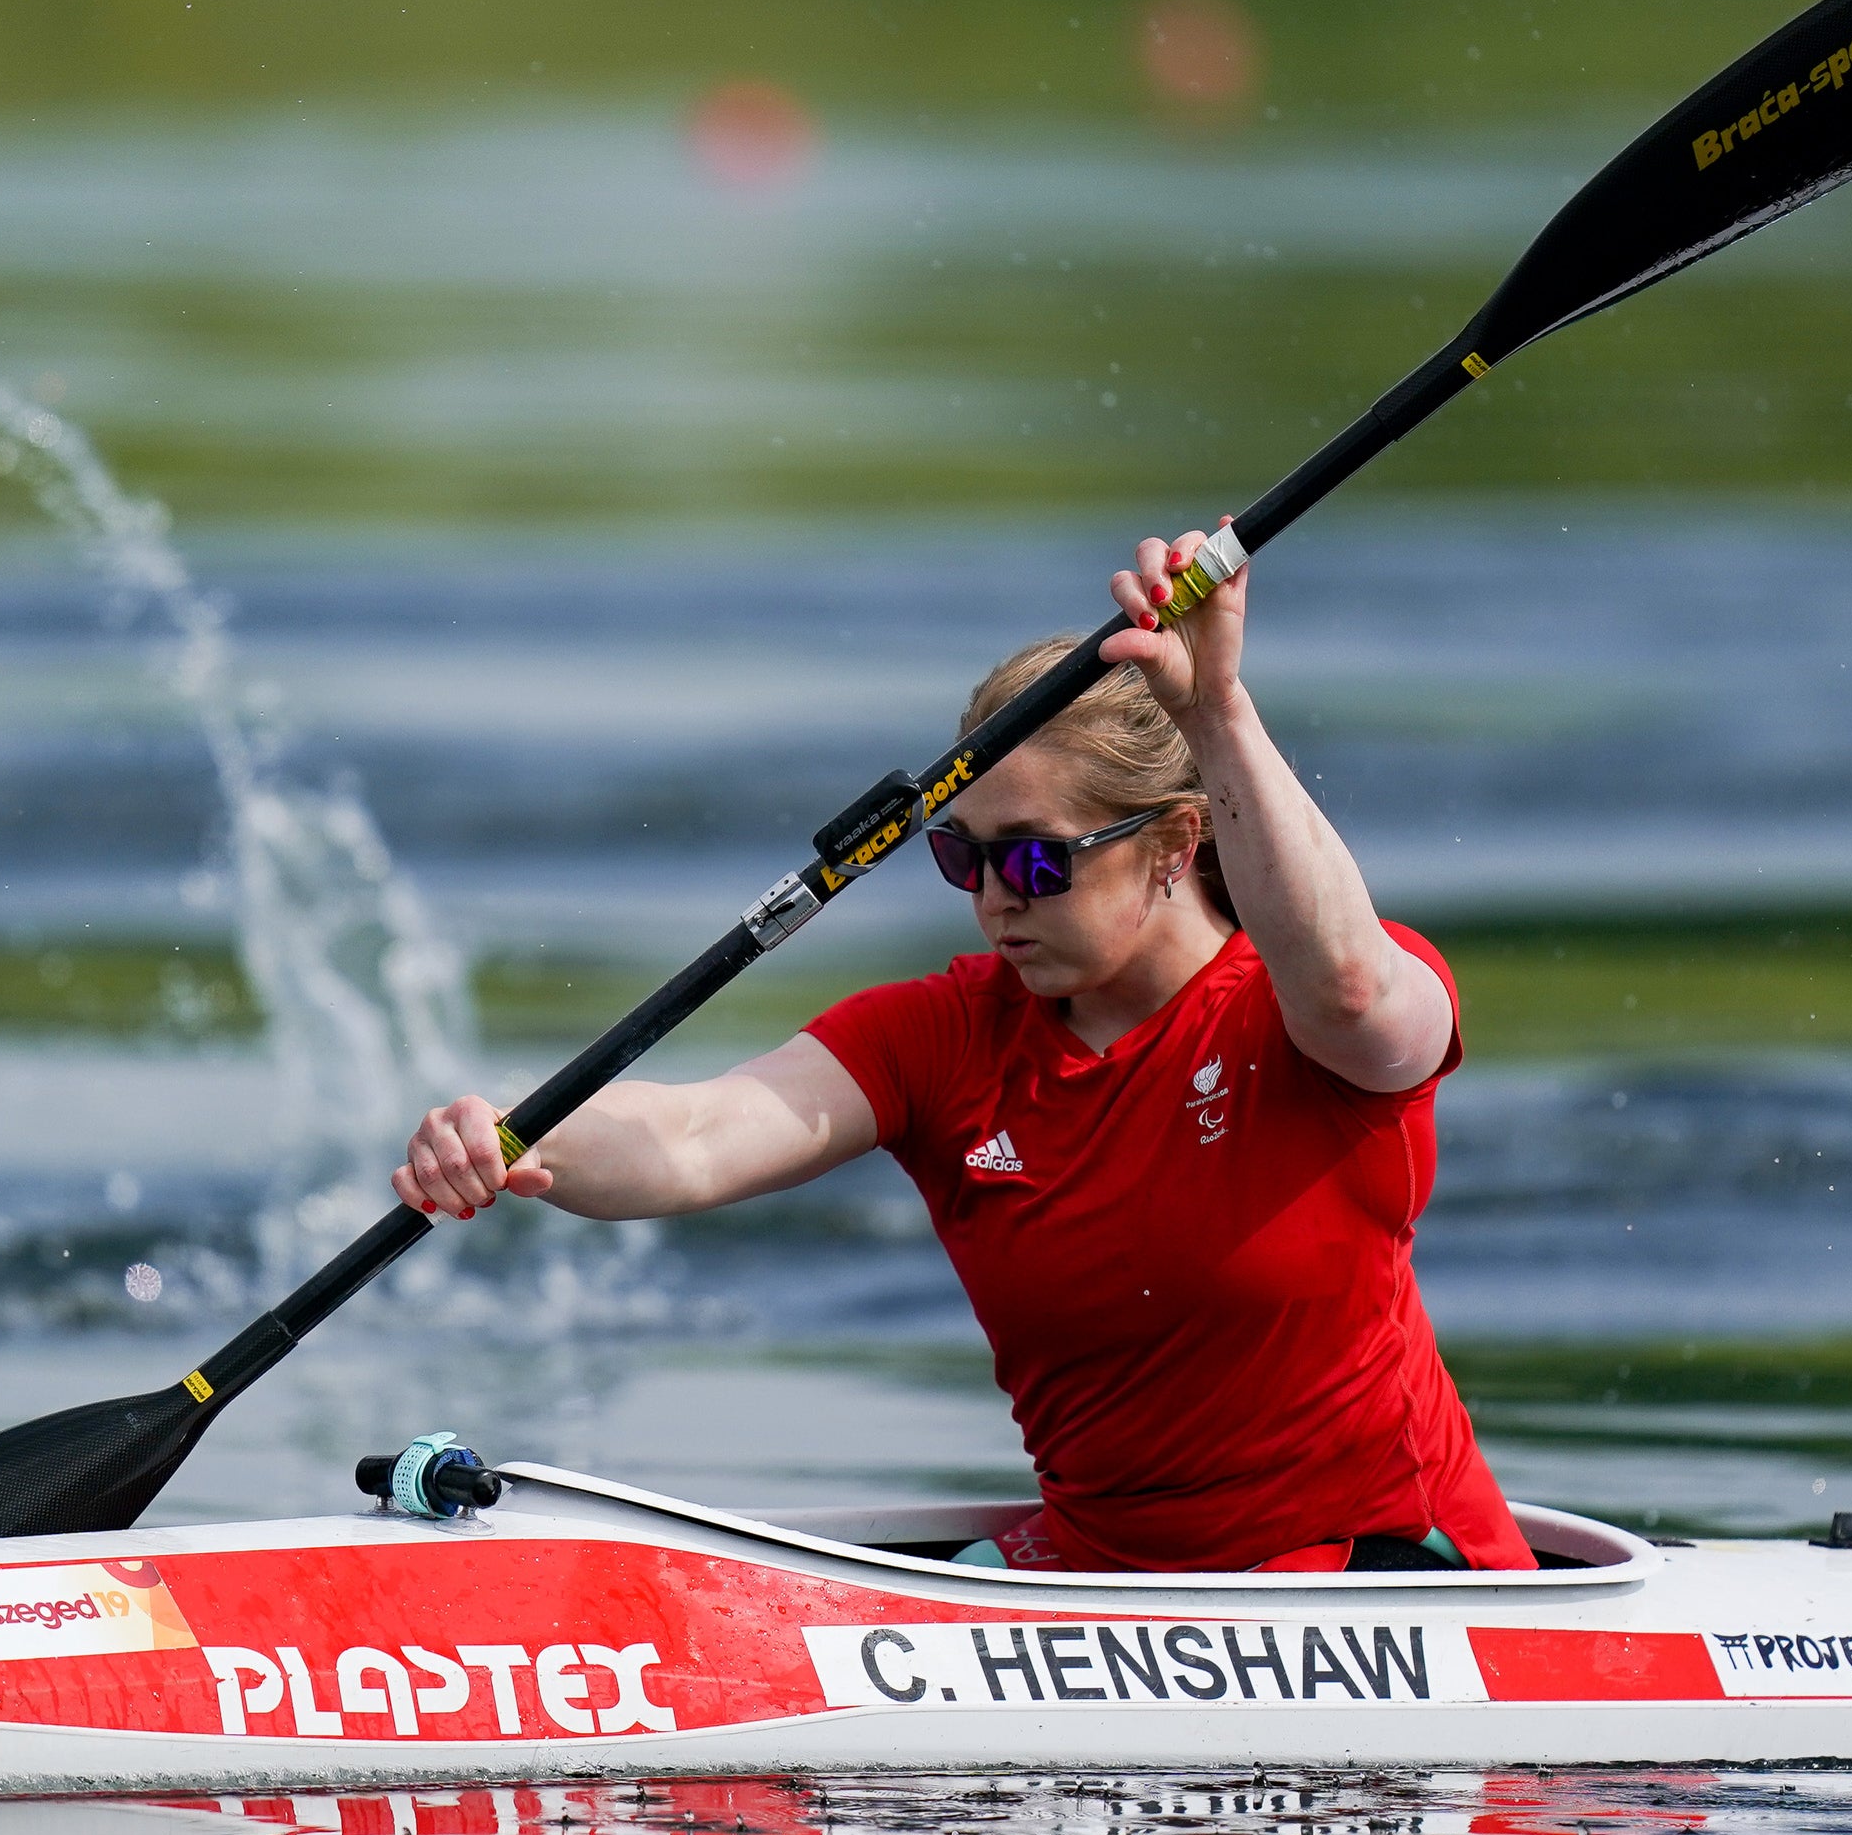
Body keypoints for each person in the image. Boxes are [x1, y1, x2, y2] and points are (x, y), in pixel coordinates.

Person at [392, 524, 1533, 1575]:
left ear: (1172, 845)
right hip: (1099, 1580)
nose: (991, 899)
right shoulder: (944, 1036)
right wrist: (513, 1135)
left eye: (1034, 860)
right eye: (961, 857)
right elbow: (692, 1136)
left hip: (1381, 1575)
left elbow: (1342, 985)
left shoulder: (1309, 1005)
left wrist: (1216, 711)